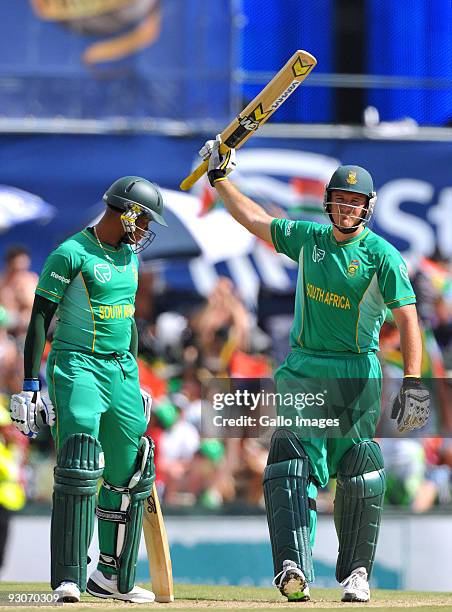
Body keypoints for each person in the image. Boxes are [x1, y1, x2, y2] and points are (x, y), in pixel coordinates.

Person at [199, 137, 430, 603]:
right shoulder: (310, 239)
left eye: (355, 202)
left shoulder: (381, 255)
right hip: (305, 366)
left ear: (368, 207)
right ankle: (292, 565)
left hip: (356, 371)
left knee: (359, 470)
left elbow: (408, 318)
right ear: (328, 201)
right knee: (288, 463)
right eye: (341, 199)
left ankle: (357, 574)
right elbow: (255, 219)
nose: (346, 209)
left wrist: (413, 382)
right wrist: (220, 178)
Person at [10, 177, 167, 603]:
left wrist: (138, 381)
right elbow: (40, 317)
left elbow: (129, 321)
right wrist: (29, 385)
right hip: (76, 363)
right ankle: (68, 576)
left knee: (129, 471)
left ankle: (111, 577)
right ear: (128, 212)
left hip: (121, 369)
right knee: (80, 460)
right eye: (145, 218)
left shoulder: (131, 258)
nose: (146, 227)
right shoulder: (71, 253)